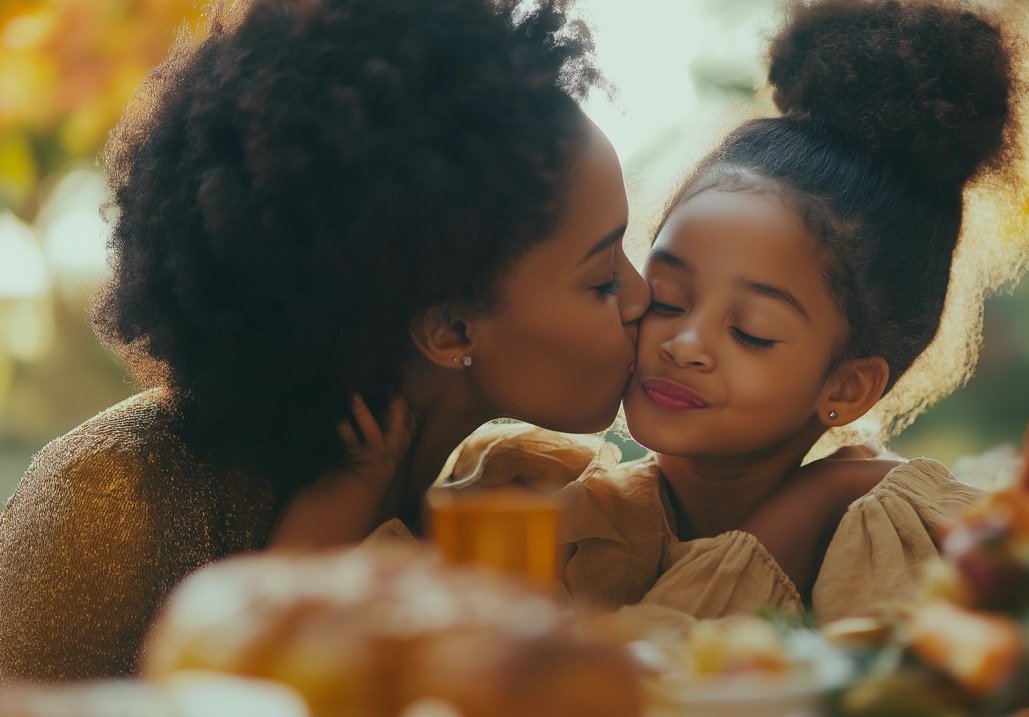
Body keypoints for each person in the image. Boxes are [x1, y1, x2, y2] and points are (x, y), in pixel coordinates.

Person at [0, 0, 650, 681]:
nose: (644, 297)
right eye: (604, 279)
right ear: (449, 329)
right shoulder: (108, 500)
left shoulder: (498, 496)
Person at [446, 0, 1029, 625]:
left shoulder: (900, 539)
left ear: (847, 386)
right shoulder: (550, 511)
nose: (684, 343)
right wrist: (801, 510)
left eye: (750, 333)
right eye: (667, 299)